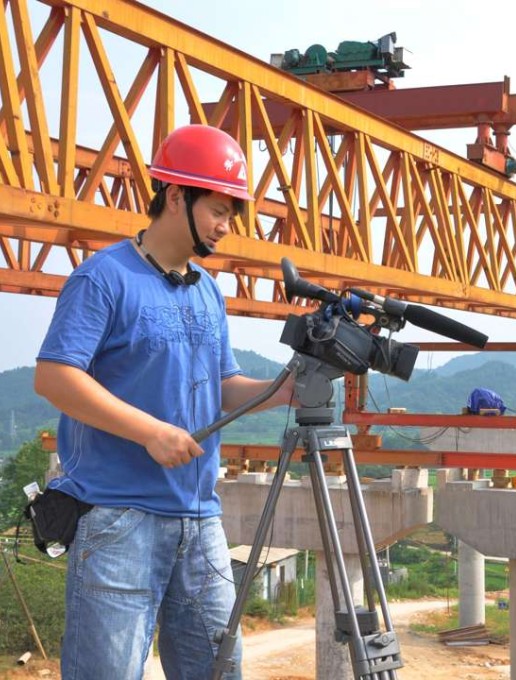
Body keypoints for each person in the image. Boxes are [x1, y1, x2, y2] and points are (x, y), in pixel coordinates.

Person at [34, 124, 293, 680]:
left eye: (231, 215)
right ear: (176, 195)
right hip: (118, 517)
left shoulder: (206, 289)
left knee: (219, 671)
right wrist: (150, 431)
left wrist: (283, 390)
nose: (226, 227)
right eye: (219, 211)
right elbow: (55, 376)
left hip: (200, 520)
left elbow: (221, 387)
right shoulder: (104, 278)